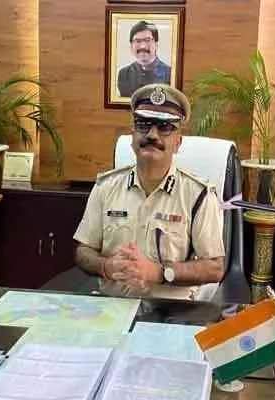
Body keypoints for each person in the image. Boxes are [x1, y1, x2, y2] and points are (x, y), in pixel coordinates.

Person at [73, 84, 225, 300]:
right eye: (143, 125)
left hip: (171, 311)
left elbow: (215, 268)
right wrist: (106, 266)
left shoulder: (198, 196)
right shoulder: (105, 187)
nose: (152, 135)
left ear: (178, 142)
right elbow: (83, 251)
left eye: (165, 127)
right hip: (113, 307)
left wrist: (160, 273)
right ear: (133, 136)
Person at [117, 21, 172, 98]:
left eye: (147, 40)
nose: (143, 46)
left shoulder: (170, 73)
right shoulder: (124, 74)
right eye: (138, 41)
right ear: (131, 46)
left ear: (156, 44)